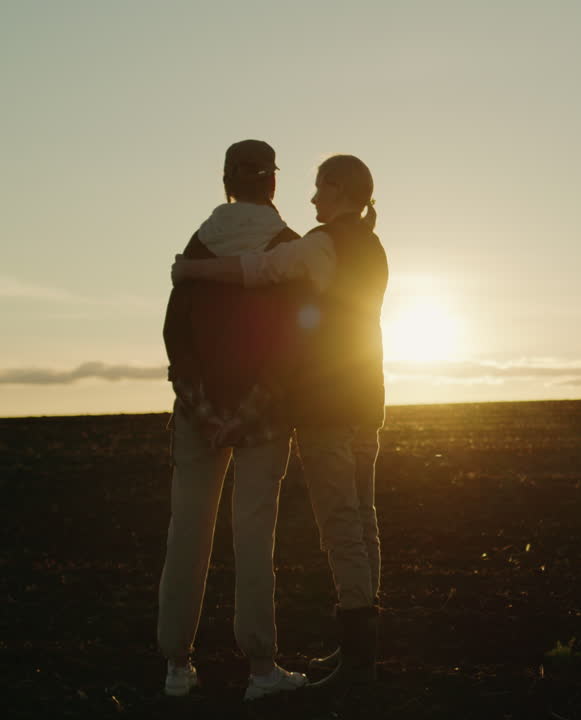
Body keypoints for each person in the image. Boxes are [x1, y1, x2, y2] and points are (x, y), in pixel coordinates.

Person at [172, 154, 387, 692]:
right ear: (269, 183)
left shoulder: (310, 244)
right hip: (346, 406)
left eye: (320, 188)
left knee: (336, 527)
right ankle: (316, 656)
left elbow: (247, 279)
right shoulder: (364, 245)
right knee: (349, 523)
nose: (312, 197)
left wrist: (191, 270)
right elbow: (299, 325)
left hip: (301, 410)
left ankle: (178, 666)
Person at [158, 139, 309, 701]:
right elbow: (295, 343)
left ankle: (177, 666)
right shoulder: (289, 248)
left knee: (186, 533)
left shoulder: (195, 249)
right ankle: (261, 670)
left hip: (197, 418)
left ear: (226, 182)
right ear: (272, 182)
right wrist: (247, 411)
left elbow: (176, 336)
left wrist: (204, 409)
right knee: (254, 537)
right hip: (263, 420)